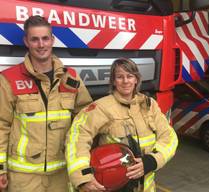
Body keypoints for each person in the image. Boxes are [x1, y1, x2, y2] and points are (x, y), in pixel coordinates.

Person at [0, 15, 92, 192]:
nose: (41, 45)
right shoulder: (9, 79)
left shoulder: (71, 78)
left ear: (52, 40)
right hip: (24, 178)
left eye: (45, 38)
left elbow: (86, 122)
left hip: (61, 174)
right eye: (35, 39)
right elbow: (1, 126)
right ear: (26, 41)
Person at [66, 58, 178, 192]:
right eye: (120, 77)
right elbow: (77, 138)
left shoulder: (149, 105)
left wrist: (152, 161)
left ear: (136, 79)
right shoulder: (100, 108)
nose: (125, 81)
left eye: (130, 76)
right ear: (113, 81)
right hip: (116, 187)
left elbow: (169, 136)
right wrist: (83, 177)